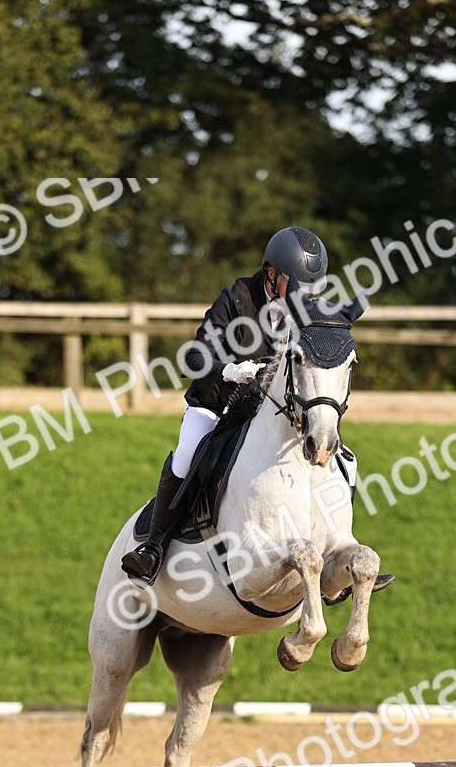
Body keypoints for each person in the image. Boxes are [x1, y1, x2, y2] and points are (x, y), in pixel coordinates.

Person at [121, 226, 393, 603]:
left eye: (312, 287)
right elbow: (193, 358)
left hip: (271, 411)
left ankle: (336, 558)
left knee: (345, 459)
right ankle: (153, 547)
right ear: (270, 273)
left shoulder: (309, 309)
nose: (306, 295)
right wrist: (230, 370)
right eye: (297, 284)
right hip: (218, 403)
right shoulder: (236, 300)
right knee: (188, 453)